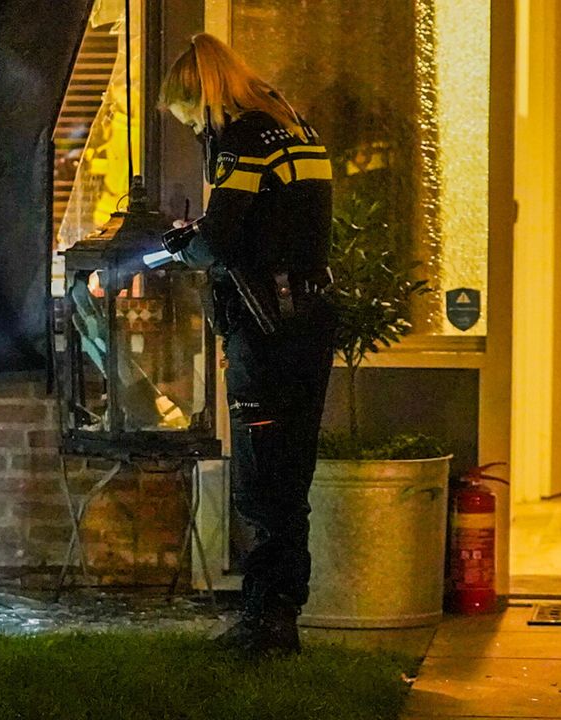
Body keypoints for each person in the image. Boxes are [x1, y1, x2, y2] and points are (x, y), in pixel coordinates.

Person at [157, 33, 336, 655]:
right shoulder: (295, 126)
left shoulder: (242, 139)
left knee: (263, 481)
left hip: (266, 326)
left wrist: (186, 242)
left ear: (198, 99)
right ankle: (281, 614)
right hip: (310, 319)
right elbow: (283, 223)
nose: (189, 130)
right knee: (291, 475)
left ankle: (266, 624)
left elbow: (225, 240)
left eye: (184, 119)